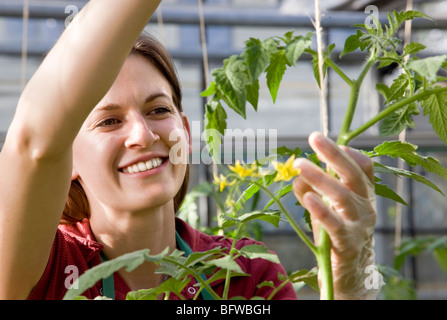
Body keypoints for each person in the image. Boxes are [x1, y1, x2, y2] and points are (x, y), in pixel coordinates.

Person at [0, 0, 380, 300]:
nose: (144, 135)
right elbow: (33, 141)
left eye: (158, 110)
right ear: (66, 154)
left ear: (185, 131)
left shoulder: (244, 273)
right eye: (109, 121)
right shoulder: (44, 266)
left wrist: (350, 285)